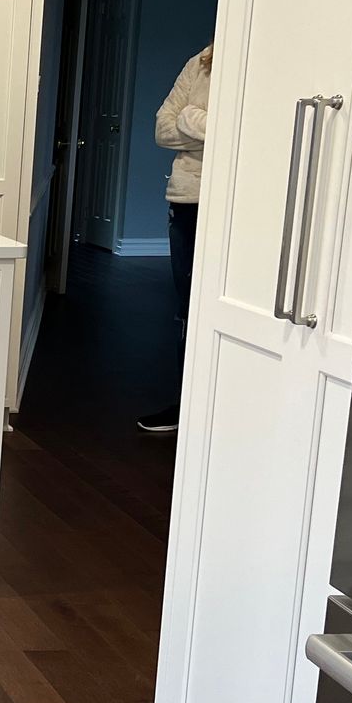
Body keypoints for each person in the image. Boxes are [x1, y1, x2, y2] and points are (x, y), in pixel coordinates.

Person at [137, 44, 211, 433]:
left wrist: (190, 116)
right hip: (188, 202)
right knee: (188, 309)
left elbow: (248, 131)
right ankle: (189, 405)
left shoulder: (265, 59)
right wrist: (205, 125)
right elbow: (163, 127)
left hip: (236, 201)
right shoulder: (202, 61)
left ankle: (215, 408)